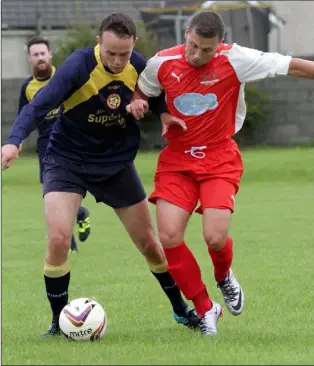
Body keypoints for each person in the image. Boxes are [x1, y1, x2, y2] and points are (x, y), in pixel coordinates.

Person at [2, 13, 199, 337]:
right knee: (58, 238)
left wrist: (157, 110)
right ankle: (58, 322)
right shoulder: (78, 67)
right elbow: (37, 107)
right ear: (98, 44)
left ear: (133, 44)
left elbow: (157, 91)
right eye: (111, 54)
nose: (118, 61)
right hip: (67, 160)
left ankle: (181, 310)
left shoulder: (139, 64)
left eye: (124, 53)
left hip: (115, 163)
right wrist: (13, 142)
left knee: (150, 244)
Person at [126, 11, 314, 336]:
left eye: (206, 50)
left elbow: (291, 65)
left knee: (214, 236)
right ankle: (204, 308)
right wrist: (140, 104)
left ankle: (224, 275)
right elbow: (143, 90)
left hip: (218, 157)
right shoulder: (161, 62)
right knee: (169, 236)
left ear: (220, 45)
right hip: (177, 161)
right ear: (186, 33)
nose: (197, 55)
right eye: (193, 46)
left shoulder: (237, 59)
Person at [18, 36, 91, 252]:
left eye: (43, 53)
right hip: (46, 146)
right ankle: (68, 242)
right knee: (53, 194)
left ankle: (81, 213)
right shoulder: (27, 88)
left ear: (50, 54)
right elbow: (25, 115)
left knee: (74, 192)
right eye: (35, 55)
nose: (40, 58)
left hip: (72, 140)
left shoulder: (65, 77)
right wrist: (18, 140)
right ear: (29, 59)